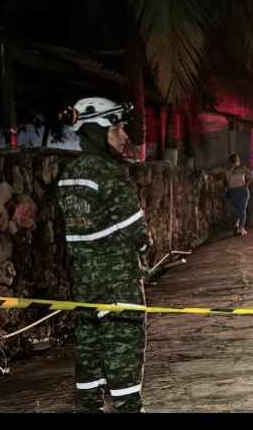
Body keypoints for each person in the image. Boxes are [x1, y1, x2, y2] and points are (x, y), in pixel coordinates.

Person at [56, 97, 151, 413]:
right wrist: (144, 250)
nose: (124, 136)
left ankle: (89, 402)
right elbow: (137, 230)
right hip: (117, 282)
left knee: (89, 344)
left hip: (84, 281)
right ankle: (126, 406)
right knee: (123, 342)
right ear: (97, 130)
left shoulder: (69, 175)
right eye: (118, 128)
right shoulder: (108, 173)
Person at [226, 153, 253, 235]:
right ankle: (241, 228)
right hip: (242, 190)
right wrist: (247, 183)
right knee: (242, 209)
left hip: (232, 191)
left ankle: (236, 224)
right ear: (237, 160)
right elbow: (251, 175)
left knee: (236, 208)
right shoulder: (241, 168)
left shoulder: (227, 169)